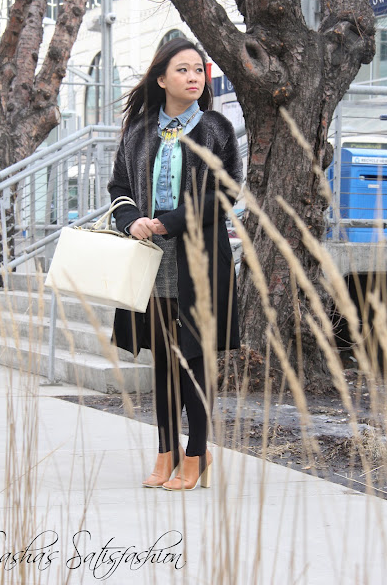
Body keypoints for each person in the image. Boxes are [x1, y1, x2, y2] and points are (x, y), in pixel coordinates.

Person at [107, 38, 243, 491]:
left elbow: (226, 191)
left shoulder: (216, 128)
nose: (193, 77)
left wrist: (170, 221)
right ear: (162, 79)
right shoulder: (139, 131)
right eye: (182, 70)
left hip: (199, 259)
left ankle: (196, 452)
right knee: (164, 359)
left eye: (198, 70)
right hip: (150, 259)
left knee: (195, 358)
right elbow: (119, 187)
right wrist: (132, 220)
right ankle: (165, 452)